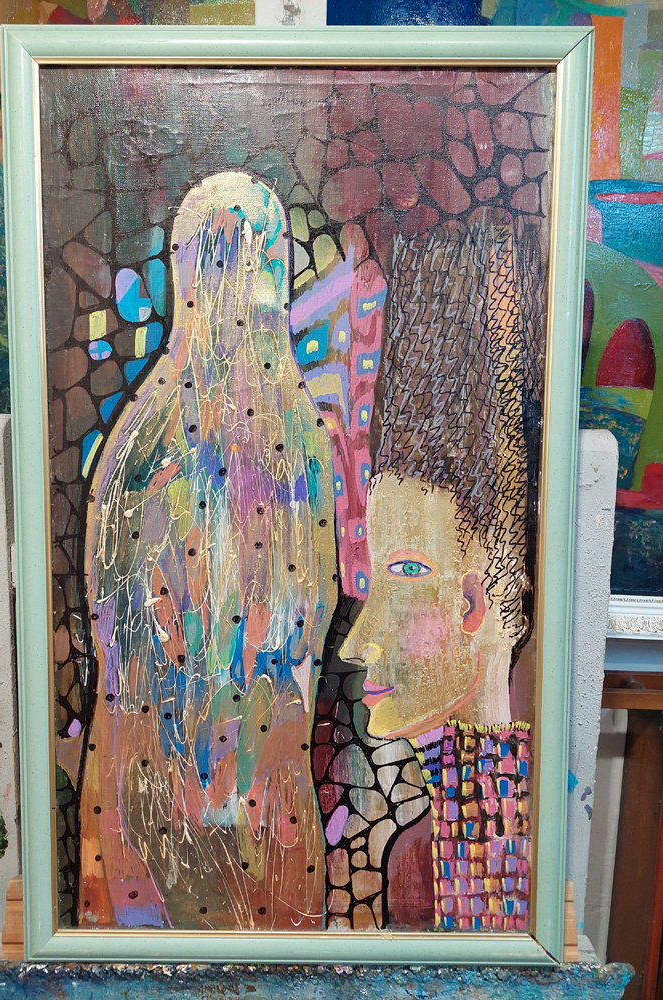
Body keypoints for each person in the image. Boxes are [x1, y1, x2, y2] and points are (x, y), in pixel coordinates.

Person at [79, 172, 337, 930]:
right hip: (184, 800)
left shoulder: (144, 447)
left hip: (236, 800)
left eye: (246, 267)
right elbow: (118, 660)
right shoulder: (159, 450)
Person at [338, 219, 542, 931]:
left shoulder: (486, 859)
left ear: (473, 602)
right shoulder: (432, 849)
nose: (356, 643)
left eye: (406, 572)